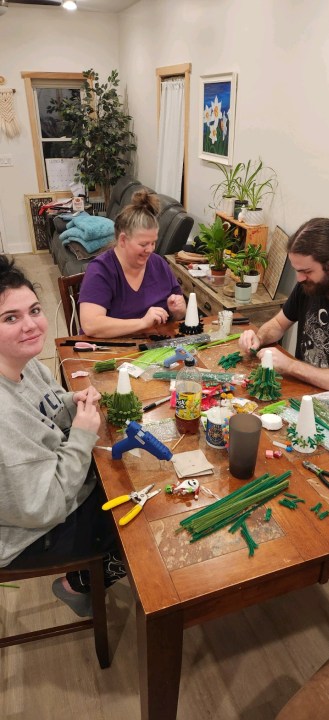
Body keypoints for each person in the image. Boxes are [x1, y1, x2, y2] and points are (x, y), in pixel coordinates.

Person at [0, 256, 126, 618]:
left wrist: (74, 401)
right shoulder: (4, 416)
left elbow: (47, 406)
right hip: (29, 532)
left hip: (41, 497)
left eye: (34, 310)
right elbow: (46, 507)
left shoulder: (24, 365)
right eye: (11, 318)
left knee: (121, 474)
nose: (31, 326)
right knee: (134, 521)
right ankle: (77, 585)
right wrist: (83, 436)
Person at [239, 217, 329, 390]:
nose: (299, 278)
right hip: (303, 392)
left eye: (307, 271)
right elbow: (278, 324)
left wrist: (291, 366)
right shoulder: (307, 287)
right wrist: (259, 338)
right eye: (297, 271)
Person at [79, 189, 187, 338]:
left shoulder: (160, 265)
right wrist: (143, 322)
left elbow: (178, 316)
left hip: (152, 346)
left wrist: (178, 311)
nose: (150, 250)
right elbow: (91, 325)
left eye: (153, 242)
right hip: (110, 351)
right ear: (123, 240)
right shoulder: (101, 270)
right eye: (143, 244)